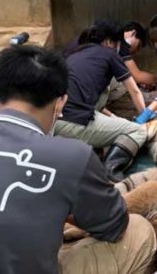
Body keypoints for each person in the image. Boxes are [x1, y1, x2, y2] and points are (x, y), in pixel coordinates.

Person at [0, 45, 156, 274]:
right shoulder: (73, 156)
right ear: (60, 103)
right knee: (139, 230)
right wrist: (61, 203)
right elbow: (114, 226)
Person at [54, 19, 147, 182]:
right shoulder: (110, 54)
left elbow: (89, 99)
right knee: (138, 131)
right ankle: (109, 173)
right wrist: (146, 118)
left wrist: (112, 117)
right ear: (110, 42)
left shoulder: (76, 52)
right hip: (74, 122)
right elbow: (135, 90)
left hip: (52, 120)